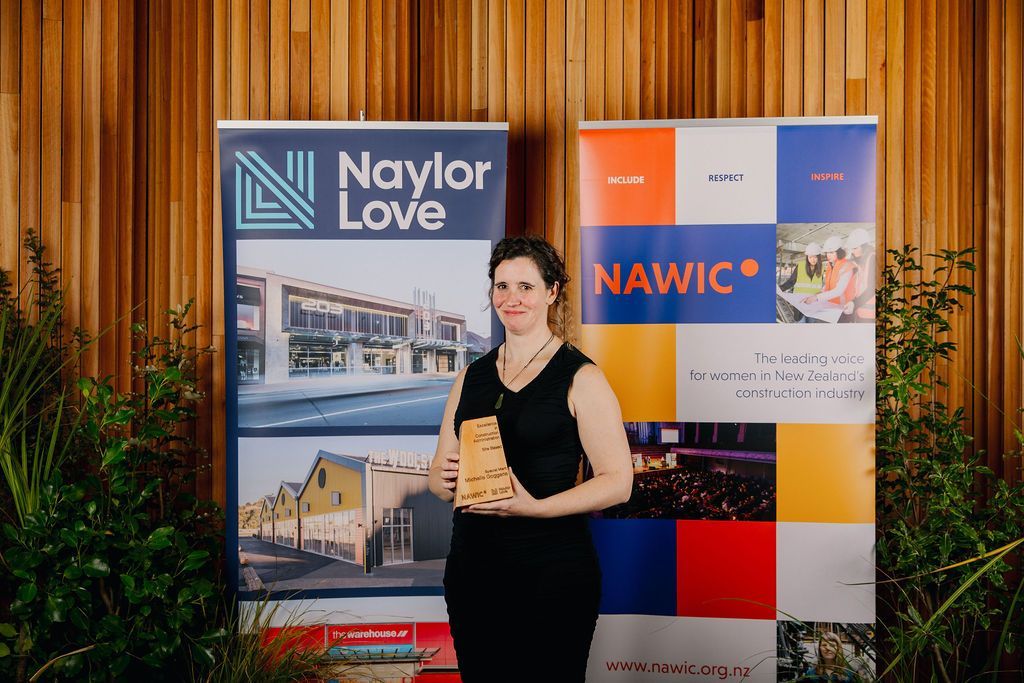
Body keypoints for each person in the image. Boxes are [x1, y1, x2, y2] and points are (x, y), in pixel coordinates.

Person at [428, 235, 633, 682]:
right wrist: (443, 480)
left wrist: (535, 507)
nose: (511, 298)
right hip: (473, 573)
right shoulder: (470, 377)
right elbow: (438, 474)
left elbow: (619, 482)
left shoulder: (581, 376)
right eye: (502, 287)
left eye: (525, 287)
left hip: (552, 574)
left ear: (551, 292)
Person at [803, 235, 856, 313]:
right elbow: (827, 285)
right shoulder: (830, 266)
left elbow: (838, 291)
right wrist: (817, 294)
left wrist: (817, 298)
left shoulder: (846, 266)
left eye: (831, 252)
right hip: (831, 306)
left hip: (844, 309)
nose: (828, 255)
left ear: (839, 252)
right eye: (827, 252)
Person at [843, 227, 876, 323]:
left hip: (870, 316)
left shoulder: (873, 258)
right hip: (860, 311)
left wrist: (854, 303)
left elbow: (872, 288)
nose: (852, 251)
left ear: (864, 246)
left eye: (855, 248)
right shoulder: (861, 262)